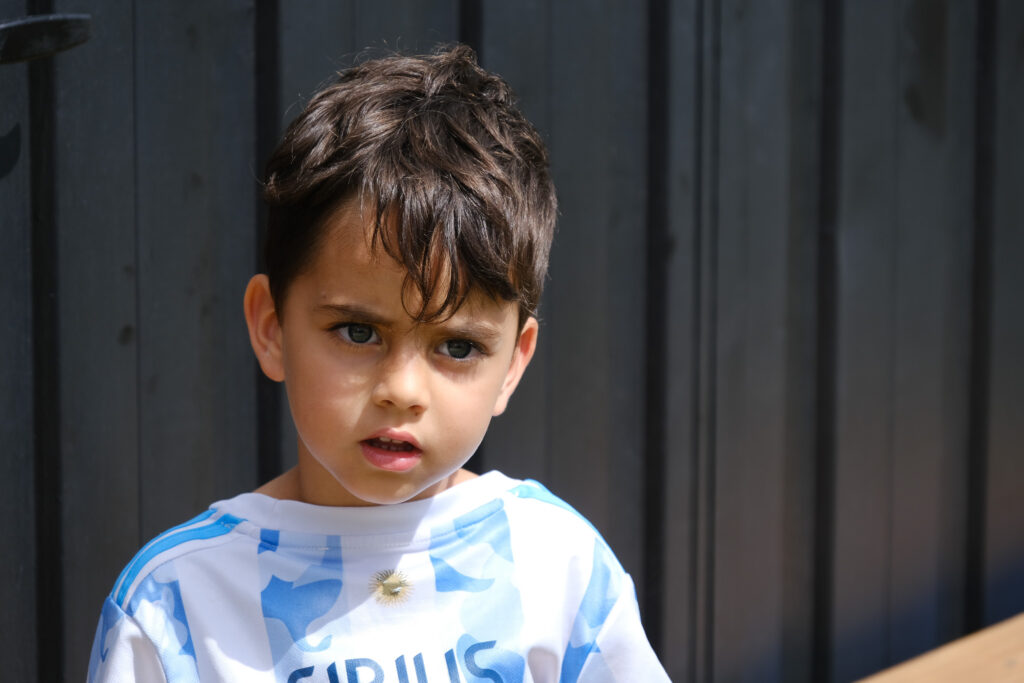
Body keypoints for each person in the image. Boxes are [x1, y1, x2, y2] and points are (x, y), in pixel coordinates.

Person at [87, 45, 669, 682]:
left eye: (457, 347)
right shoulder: (177, 604)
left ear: (512, 364)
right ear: (271, 326)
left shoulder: (559, 567)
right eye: (358, 331)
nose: (403, 390)